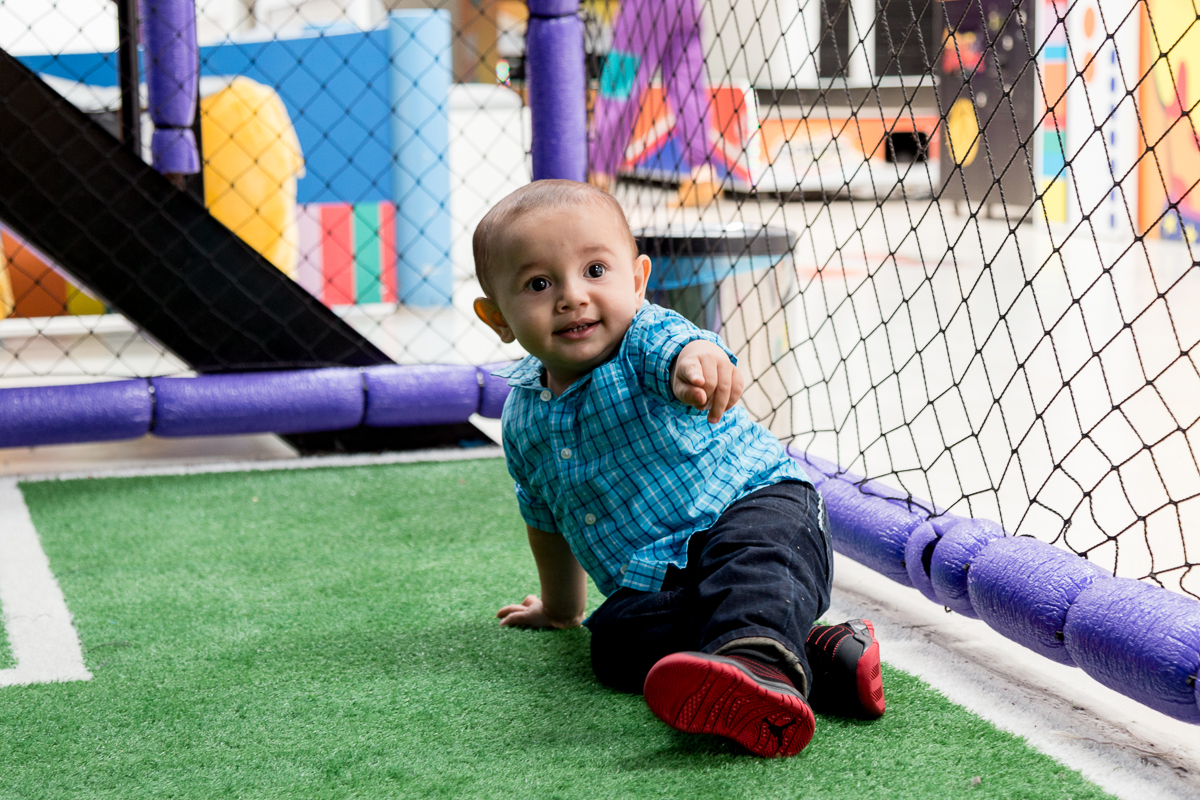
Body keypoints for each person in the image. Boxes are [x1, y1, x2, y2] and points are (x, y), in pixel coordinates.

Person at [472, 179, 885, 758]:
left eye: (595, 271)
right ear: (498, 318)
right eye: (539, 284)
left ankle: (758, 664)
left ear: (637, 281)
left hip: (756, 506)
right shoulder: (523, 420)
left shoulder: (643, 341)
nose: (572, 297)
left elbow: (683, 346)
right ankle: (817, 651)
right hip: (662, 578)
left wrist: (698, 363)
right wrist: (561, 609)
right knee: (612, 643)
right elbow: (545, 518)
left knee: (754, 561)